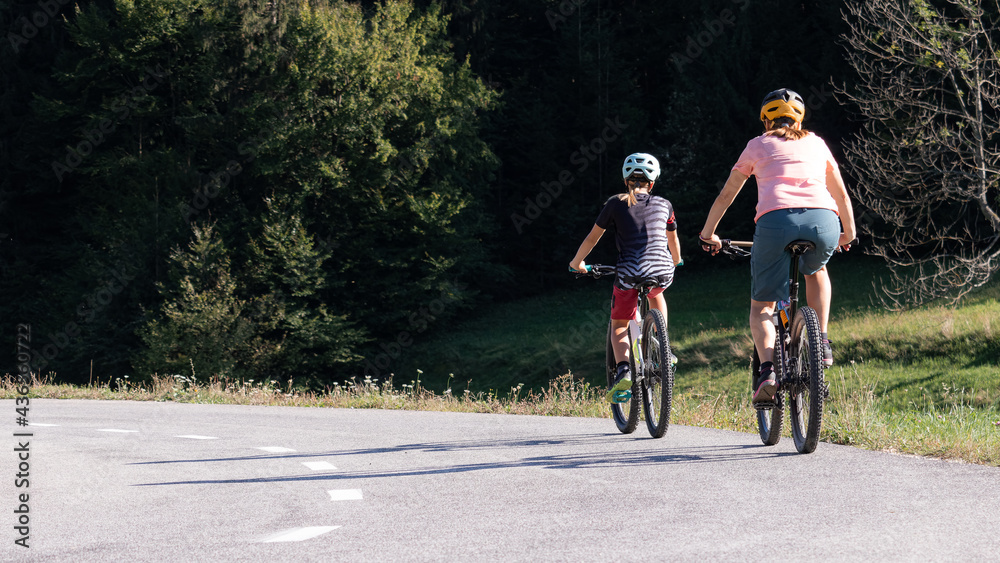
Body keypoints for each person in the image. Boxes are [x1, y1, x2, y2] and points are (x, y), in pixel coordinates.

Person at [698, 88, 856, 404]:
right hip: (824, 221)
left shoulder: (757, 145)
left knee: (762, 308)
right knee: (817, 270)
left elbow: (727, 195)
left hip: (775, 223)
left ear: (766, 119)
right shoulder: (817, 143)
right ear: (799, 117)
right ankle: (821, 341)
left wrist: (708, 234)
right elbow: (840, 194)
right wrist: (848, 234)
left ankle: (768, 370)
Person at [569, 153, 682, 403]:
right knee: (657, 292)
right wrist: (677, 260)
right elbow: (672, 239)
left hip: (630, 271)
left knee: (619, 324)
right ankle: (663, 345)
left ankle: (624, 370)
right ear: (652, 183)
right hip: (662, 270)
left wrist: (577, 263)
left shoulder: (616, 203)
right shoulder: (665, 204)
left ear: (625, 181)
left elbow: (592, 237)